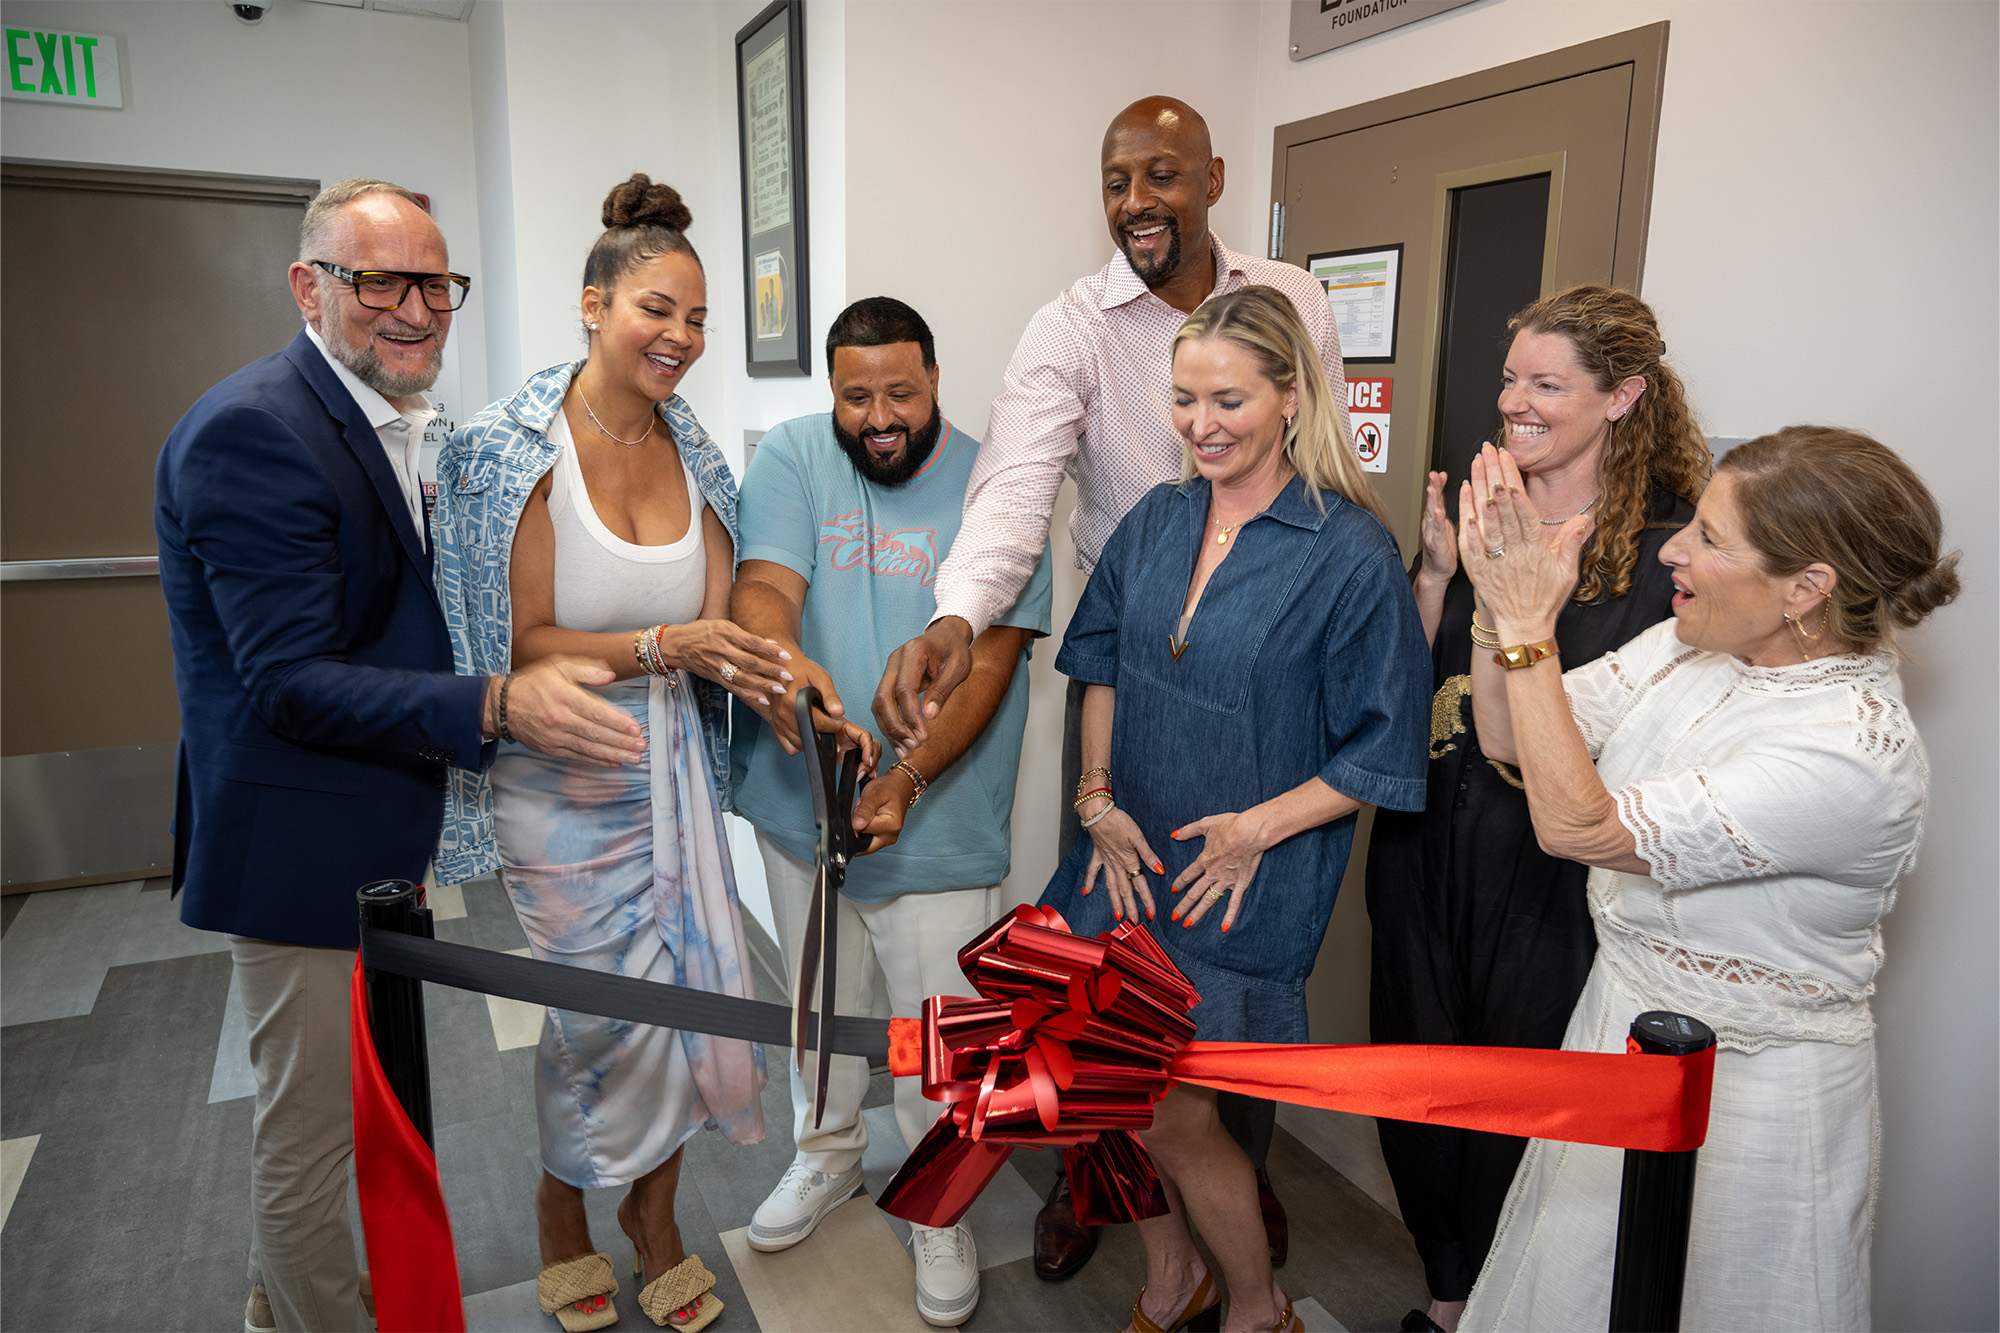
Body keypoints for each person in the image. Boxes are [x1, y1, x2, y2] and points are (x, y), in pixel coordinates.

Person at [874, 93, 1350, 1280]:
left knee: (1233, 976)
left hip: (1267, 699)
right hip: (1125, 699)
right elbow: (1014, 491)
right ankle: (1096, 1188)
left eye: (1161, 176)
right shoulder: (1070, 328)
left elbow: (1327, 460)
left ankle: (1232, 1184)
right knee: (1093, 977)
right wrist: (955, 615)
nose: (1136, 202)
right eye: (1115, 181)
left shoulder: (1293, 299)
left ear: (1213, 179)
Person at [156, 178, 643, 1333]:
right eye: (380, 282)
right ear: (309, 286)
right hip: (297, 843)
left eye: (435, 283)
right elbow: (289, 679)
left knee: (350, 1106)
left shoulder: (388, 416)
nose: (416, 309)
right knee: (310, 1129)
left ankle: (285, 1297)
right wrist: (497, 704)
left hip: (370, 826)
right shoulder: (255, 430)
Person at [1451, 427, 1956, 1331]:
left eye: (1711, 537)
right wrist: (1497, 604)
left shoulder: (1852, 752)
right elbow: (1507, 733)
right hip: (1618, 1035)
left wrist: (1530, 628)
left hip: (1748, 1094)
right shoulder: (1693, 648)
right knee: (1573, 1288)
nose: (1672, 549)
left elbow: (1576, 827)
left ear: (1807, 588)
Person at [1040, 286, 1430, 1333]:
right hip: (1123, 857)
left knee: (1174, 1115)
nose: (1200, 425)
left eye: (1228, 400)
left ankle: (1258, 1307)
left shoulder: (1347, 551)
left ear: (1291, 396)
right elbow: (1100, 663)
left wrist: (1256, 828)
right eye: (1183, 399)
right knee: (1104, 1083)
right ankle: (1174, 1277)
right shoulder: (1155, 520)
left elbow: (1383, 749)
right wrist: (1094, 795)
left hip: (1241, 877)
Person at [433, 175, 784, 1333]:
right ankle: (559, 1207)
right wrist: (658, 645)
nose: (679, 336)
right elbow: (516, 639)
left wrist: (782, 684)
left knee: (681, 1002)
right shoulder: (511, 452)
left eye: (697, 319)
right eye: (655, 309)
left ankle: (655, 1218)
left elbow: (725, 626)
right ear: (593, 306)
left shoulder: (699, 457)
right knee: (598, 1014)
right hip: (558, 779)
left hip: (666, 768)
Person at [1360, 286, 1710, 1333]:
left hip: (1546, 877)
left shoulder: (1661, 556)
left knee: (1518, 1102)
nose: (1514, 400)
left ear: (1622, 397)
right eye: (1511, 378)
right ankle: (1445, 1300)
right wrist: (1436, 574)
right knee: (1416, 1087)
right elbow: (1407, 685)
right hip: (1427, 845)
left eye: (1546, 384)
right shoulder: (1489, 512)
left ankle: (1502, 1308)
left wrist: (1521, 603)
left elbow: (1626, 740)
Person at [728, 296, 1054, 1327]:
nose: (879, 417)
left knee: (932, 1038)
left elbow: (992, 662)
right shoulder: (791, 456)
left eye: (900, 392)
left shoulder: (997, 485)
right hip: (804, 801)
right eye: (856, 396)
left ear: (936, 381)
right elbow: (763, 590)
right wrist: (797, 680)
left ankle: (936, 1202)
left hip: (941, 819)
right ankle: (825, 1153)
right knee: (817, 1013)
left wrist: (906, 779)